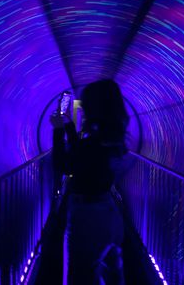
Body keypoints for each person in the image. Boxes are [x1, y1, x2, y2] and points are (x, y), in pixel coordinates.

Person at [50, 79, 129, 285]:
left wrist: (58, 130)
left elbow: (63, 165)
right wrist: (67, 124)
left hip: (86, 219)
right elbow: (84, 155)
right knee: (113, 274)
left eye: (85, 103)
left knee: (79, 277)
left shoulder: (93, 143)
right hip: (110, 213)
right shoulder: (113, 139)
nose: (83, 108)